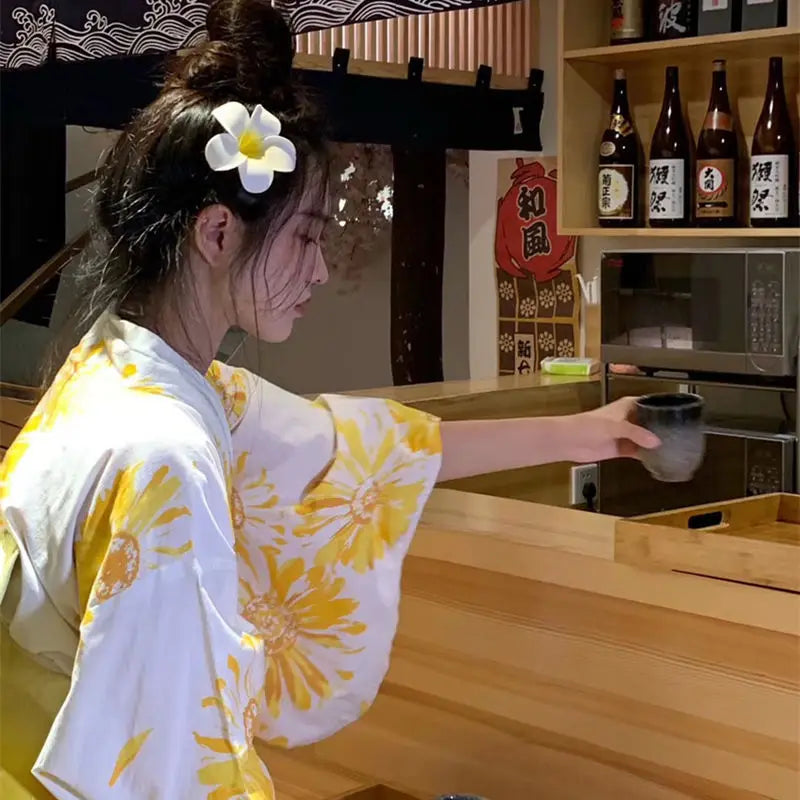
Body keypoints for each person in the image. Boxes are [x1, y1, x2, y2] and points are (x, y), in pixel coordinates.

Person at [0, 1, 658, 796]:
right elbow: (164, 770)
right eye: (307, 236)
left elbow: (359, 449)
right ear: (216, 233)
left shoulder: (127, 369)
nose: (318, 269)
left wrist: (581, 434)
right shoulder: (163, 452)